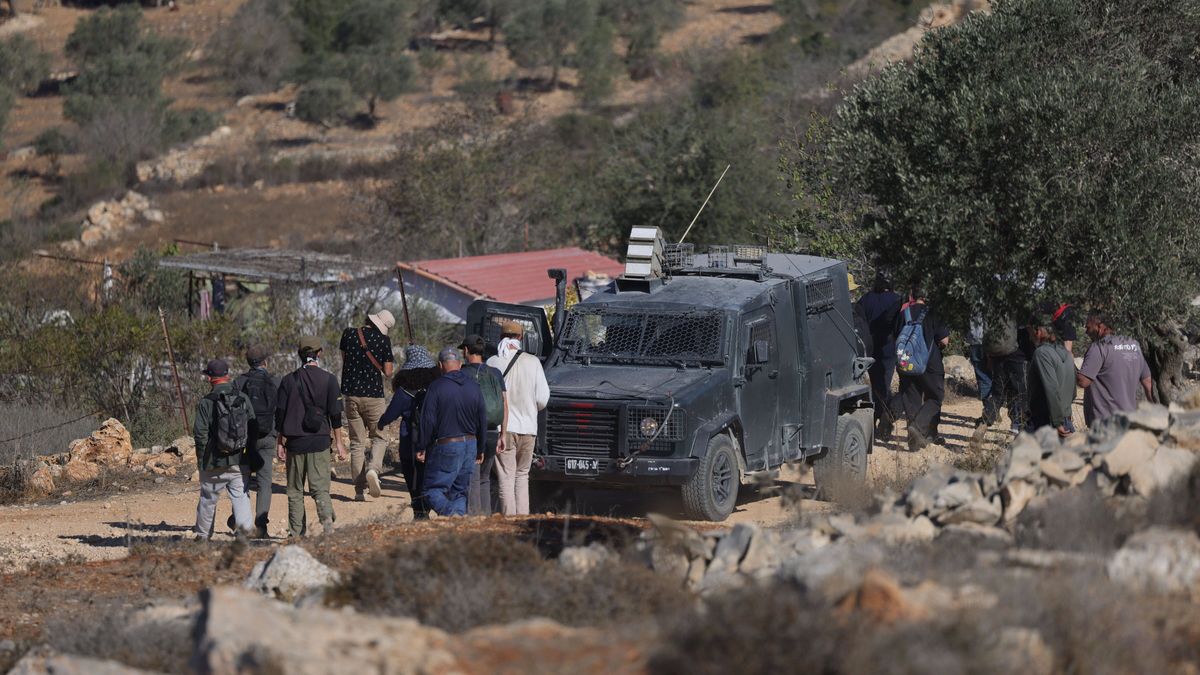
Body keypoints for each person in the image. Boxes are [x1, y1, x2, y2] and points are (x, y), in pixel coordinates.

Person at [276, 336, 346, 537]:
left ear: (299, 355)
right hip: (320, 442)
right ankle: (327, 528)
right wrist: (340, 443)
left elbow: (279, 415)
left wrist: (280, 441)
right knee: (320, 489)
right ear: (319, 353)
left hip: (296, 443)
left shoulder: (288, 380)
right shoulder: (330, 379)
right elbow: (335, 415)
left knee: (295, 491)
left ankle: (296, 534)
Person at [487, 321, 549, 515]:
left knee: (506, 477)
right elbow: (542, 399)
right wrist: (529, 409)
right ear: (521, 338)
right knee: (522, 476)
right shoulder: (533, 362)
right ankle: (523, 521)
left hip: (503, 430)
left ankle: (509, 522)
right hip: (528, 429)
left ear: (500, 337)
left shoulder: (492, 362)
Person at [417, 347, 488, 517]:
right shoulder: (474, 386)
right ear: (460, 364)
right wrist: (481, 448)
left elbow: (428, 420)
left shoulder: (436, 387)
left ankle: (452, 514)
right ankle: (457, 526)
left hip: (447, 445)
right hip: (471, 444)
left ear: (440, 365)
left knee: (430, 490)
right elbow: (482, 419)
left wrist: (422, 446)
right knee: (460, 492)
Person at [192, 358, 254, 541]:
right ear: (227, 375)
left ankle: (203, 537)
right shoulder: (243, 398)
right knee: (241, 497)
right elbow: (253, 426)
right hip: (239, 460)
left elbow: (200, 434)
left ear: (210, 378)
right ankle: (244, 536)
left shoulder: (206, 402)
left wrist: (201, 460)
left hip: (213, 461)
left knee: (208, 499)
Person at [339, 310, 395, 502]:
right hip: (374, 396)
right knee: (379, 437)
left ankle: (358, 490)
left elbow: (344, 358)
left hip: (351, 394)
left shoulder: (349, 333)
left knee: (356, 442)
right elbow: (388, 372)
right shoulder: (383, 341)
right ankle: (373, 469)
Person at [379, 345, 439, 520]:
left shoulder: (404, 390)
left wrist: (381, 423)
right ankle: (427, 507)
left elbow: (391, 414)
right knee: (428, 474)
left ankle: (419, 512)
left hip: (409, 439)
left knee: (412, 476)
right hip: (432, 439)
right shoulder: (436, 386)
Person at [229, 344, 279, 538]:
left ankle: (240, 522)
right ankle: (261, 526)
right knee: (265, 482)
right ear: (265, 361)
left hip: (244, 439)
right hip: (267, 436)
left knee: (242, 480)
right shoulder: (275, 381)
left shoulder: (239, 382)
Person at [893, 285, 950, 451]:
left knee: (911, 399)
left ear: (912, 295)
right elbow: (944, 340)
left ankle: (913, 443)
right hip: (930, 363)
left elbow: (895, 336)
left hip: (906, 362)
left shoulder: (903, 313)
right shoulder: (932, 313)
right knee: (935, 397)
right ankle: (918, 427)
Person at [1077, 312, 1153, 428]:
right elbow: (1148, 383)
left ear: (1100, 326)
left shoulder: (1099, 347)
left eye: (1088, 327)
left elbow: (1083, 381)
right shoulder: (1134, 345)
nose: (1087, 332)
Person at [460, 334, 508, 515]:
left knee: (472, 478)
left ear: (466, 350)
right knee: (485, 478)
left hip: (471, 434)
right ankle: (487, 519)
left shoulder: (463, 373)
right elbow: (504, 403)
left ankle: (474, 522)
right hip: (492, 433)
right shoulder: (495, 373)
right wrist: (503, 434)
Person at [858, 273, 902, 439]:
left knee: (876, 385)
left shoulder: (865, 299)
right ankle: (883, 420)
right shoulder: (897, 300)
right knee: (885, 384)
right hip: (889, 348)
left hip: (870, 347)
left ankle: (876, 420)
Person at [1027, 311, 1077, 437]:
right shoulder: (1066, 353)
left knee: (1018, 454)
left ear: (1037, 331)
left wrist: (1057, 422)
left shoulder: (1042, 353)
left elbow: (1052, 388)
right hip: (1065, 420)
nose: (1030, 337)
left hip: (1046, 423)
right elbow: (1073, 391)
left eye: (1030, 332)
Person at [981, 317, 1030, 434]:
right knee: (1022, 393)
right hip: (1018, 354)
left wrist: (989, 356)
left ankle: (982, 426)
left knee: (998, 394)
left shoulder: (994, 307)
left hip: (997, 355)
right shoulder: (1018, 306)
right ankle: (1022, 429)